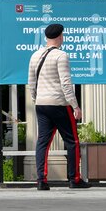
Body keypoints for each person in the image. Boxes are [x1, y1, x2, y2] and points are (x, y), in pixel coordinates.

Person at [29, 23, 89, 190]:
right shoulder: (61, 56)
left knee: (43, 142)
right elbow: (66, 84)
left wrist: (36, 99)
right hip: (59, 104)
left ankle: (41, 180)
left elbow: (31, 83)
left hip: (41, 104)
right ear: (60, 36)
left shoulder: (35, 55)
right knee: (72, 141)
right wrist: (75, 106)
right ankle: (74, 179)